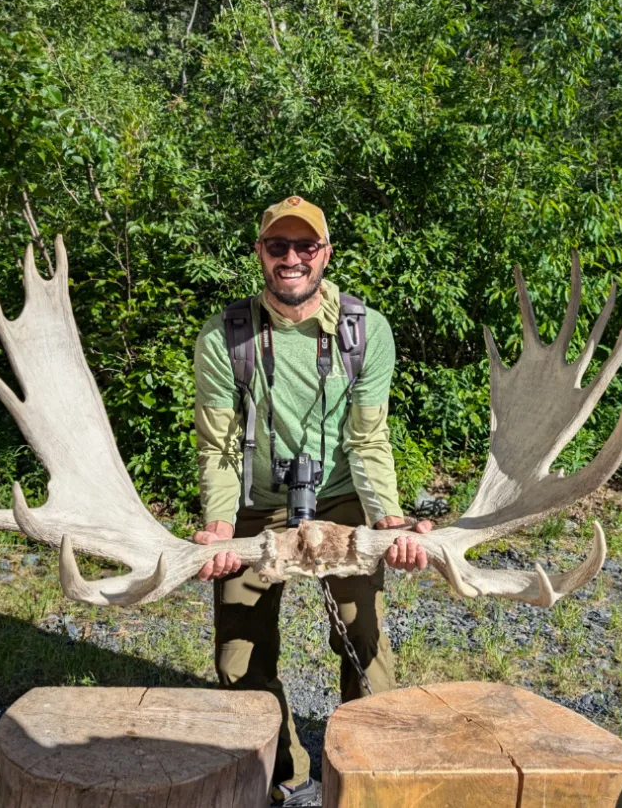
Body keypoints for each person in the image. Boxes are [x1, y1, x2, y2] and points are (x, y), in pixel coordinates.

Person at [191, 196, 431, 805]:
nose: (291, 259)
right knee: (237, 659)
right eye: (278, 247)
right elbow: (218, 447)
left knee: (365, 644)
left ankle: (368, 776)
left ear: (325, 254)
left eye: (305, 247)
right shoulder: (226, 338)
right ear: (260, 254)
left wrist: (392, 522)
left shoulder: (365, 331)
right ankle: (287, 777)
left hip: (346, 500)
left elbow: (369, 438)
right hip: (259, 506)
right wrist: (220, 529)